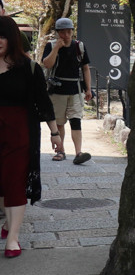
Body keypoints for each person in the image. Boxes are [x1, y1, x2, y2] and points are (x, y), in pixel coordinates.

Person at [0, 16, 64, 258]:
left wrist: (55, 133)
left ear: (13, 39)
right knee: (2, 185)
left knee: (14, 181)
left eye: (3, 35)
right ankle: (8, 222)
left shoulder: (28, 68)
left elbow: (42, 101)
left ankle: (13, 238)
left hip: (19, 133)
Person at [41, 17, 92, 165]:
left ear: (72, 31)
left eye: (68, 31)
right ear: (57, 33)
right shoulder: (51, 46)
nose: (66, 35)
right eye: (62, 32)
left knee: (76, 120)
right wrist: (57, 48)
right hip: (57, 89)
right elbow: (47, 64)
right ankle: (60, 151)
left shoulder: (79, 46)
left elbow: (85, 68)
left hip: (75, 89)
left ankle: (78, 153)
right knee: (59, 122)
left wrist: (88, 89)